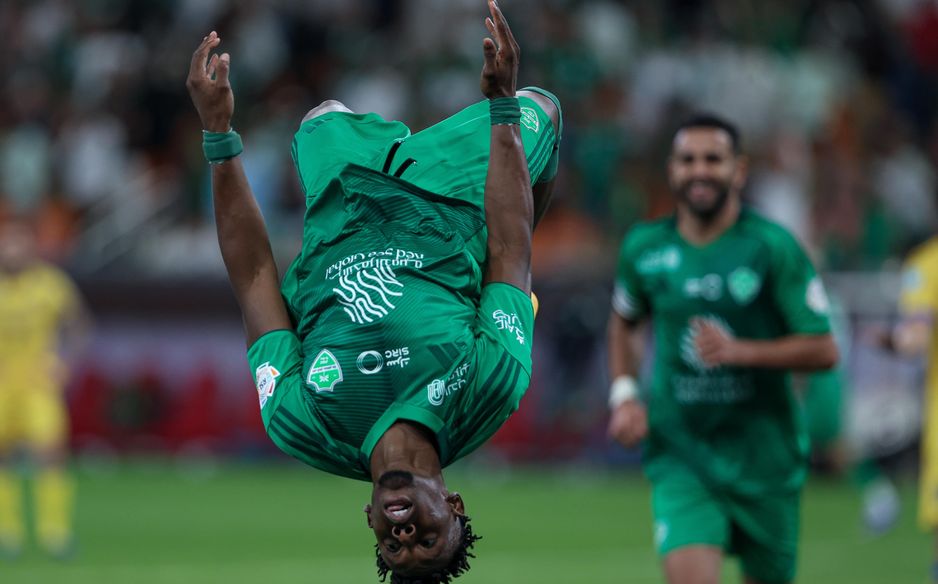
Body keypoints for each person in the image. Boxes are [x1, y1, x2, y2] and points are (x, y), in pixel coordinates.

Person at [185, 1, 561, 581]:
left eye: (393, 549)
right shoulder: (490, 388)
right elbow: (513, 249)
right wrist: (502, 107)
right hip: (450, 195)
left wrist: (218, 136)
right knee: (545, 109)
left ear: (370, 522)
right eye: (428, 539)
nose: (405, 534)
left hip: (342, 200)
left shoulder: (304, 423)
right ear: (454, 506)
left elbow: (256, 278)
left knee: (317, 116)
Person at [606, 113, 838, 584]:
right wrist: (625, 394)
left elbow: (824, 349)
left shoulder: (772, 248)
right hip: (683, 453)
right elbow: (625, 320)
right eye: (688, 160)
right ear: (671, 170)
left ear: (740, 170)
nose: (700, 171)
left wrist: (740, 352)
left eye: (713, 159)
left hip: (765, 458)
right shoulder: (644, 248)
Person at [0, 217, 90, 559]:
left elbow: (79, 325)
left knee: (50, 456)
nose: (13, 249)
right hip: (2, 384)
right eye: (8, 242)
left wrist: (65, 363)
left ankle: (55, 532)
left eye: (19, 242)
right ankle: (7, 534)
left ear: (31, 247)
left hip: (38, 385)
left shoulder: (50, 285)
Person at [879, 235, 938, 580]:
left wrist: (898, 340)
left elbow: (912, 338)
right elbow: (915, 335)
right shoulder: (927, 263)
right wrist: (901, 340)